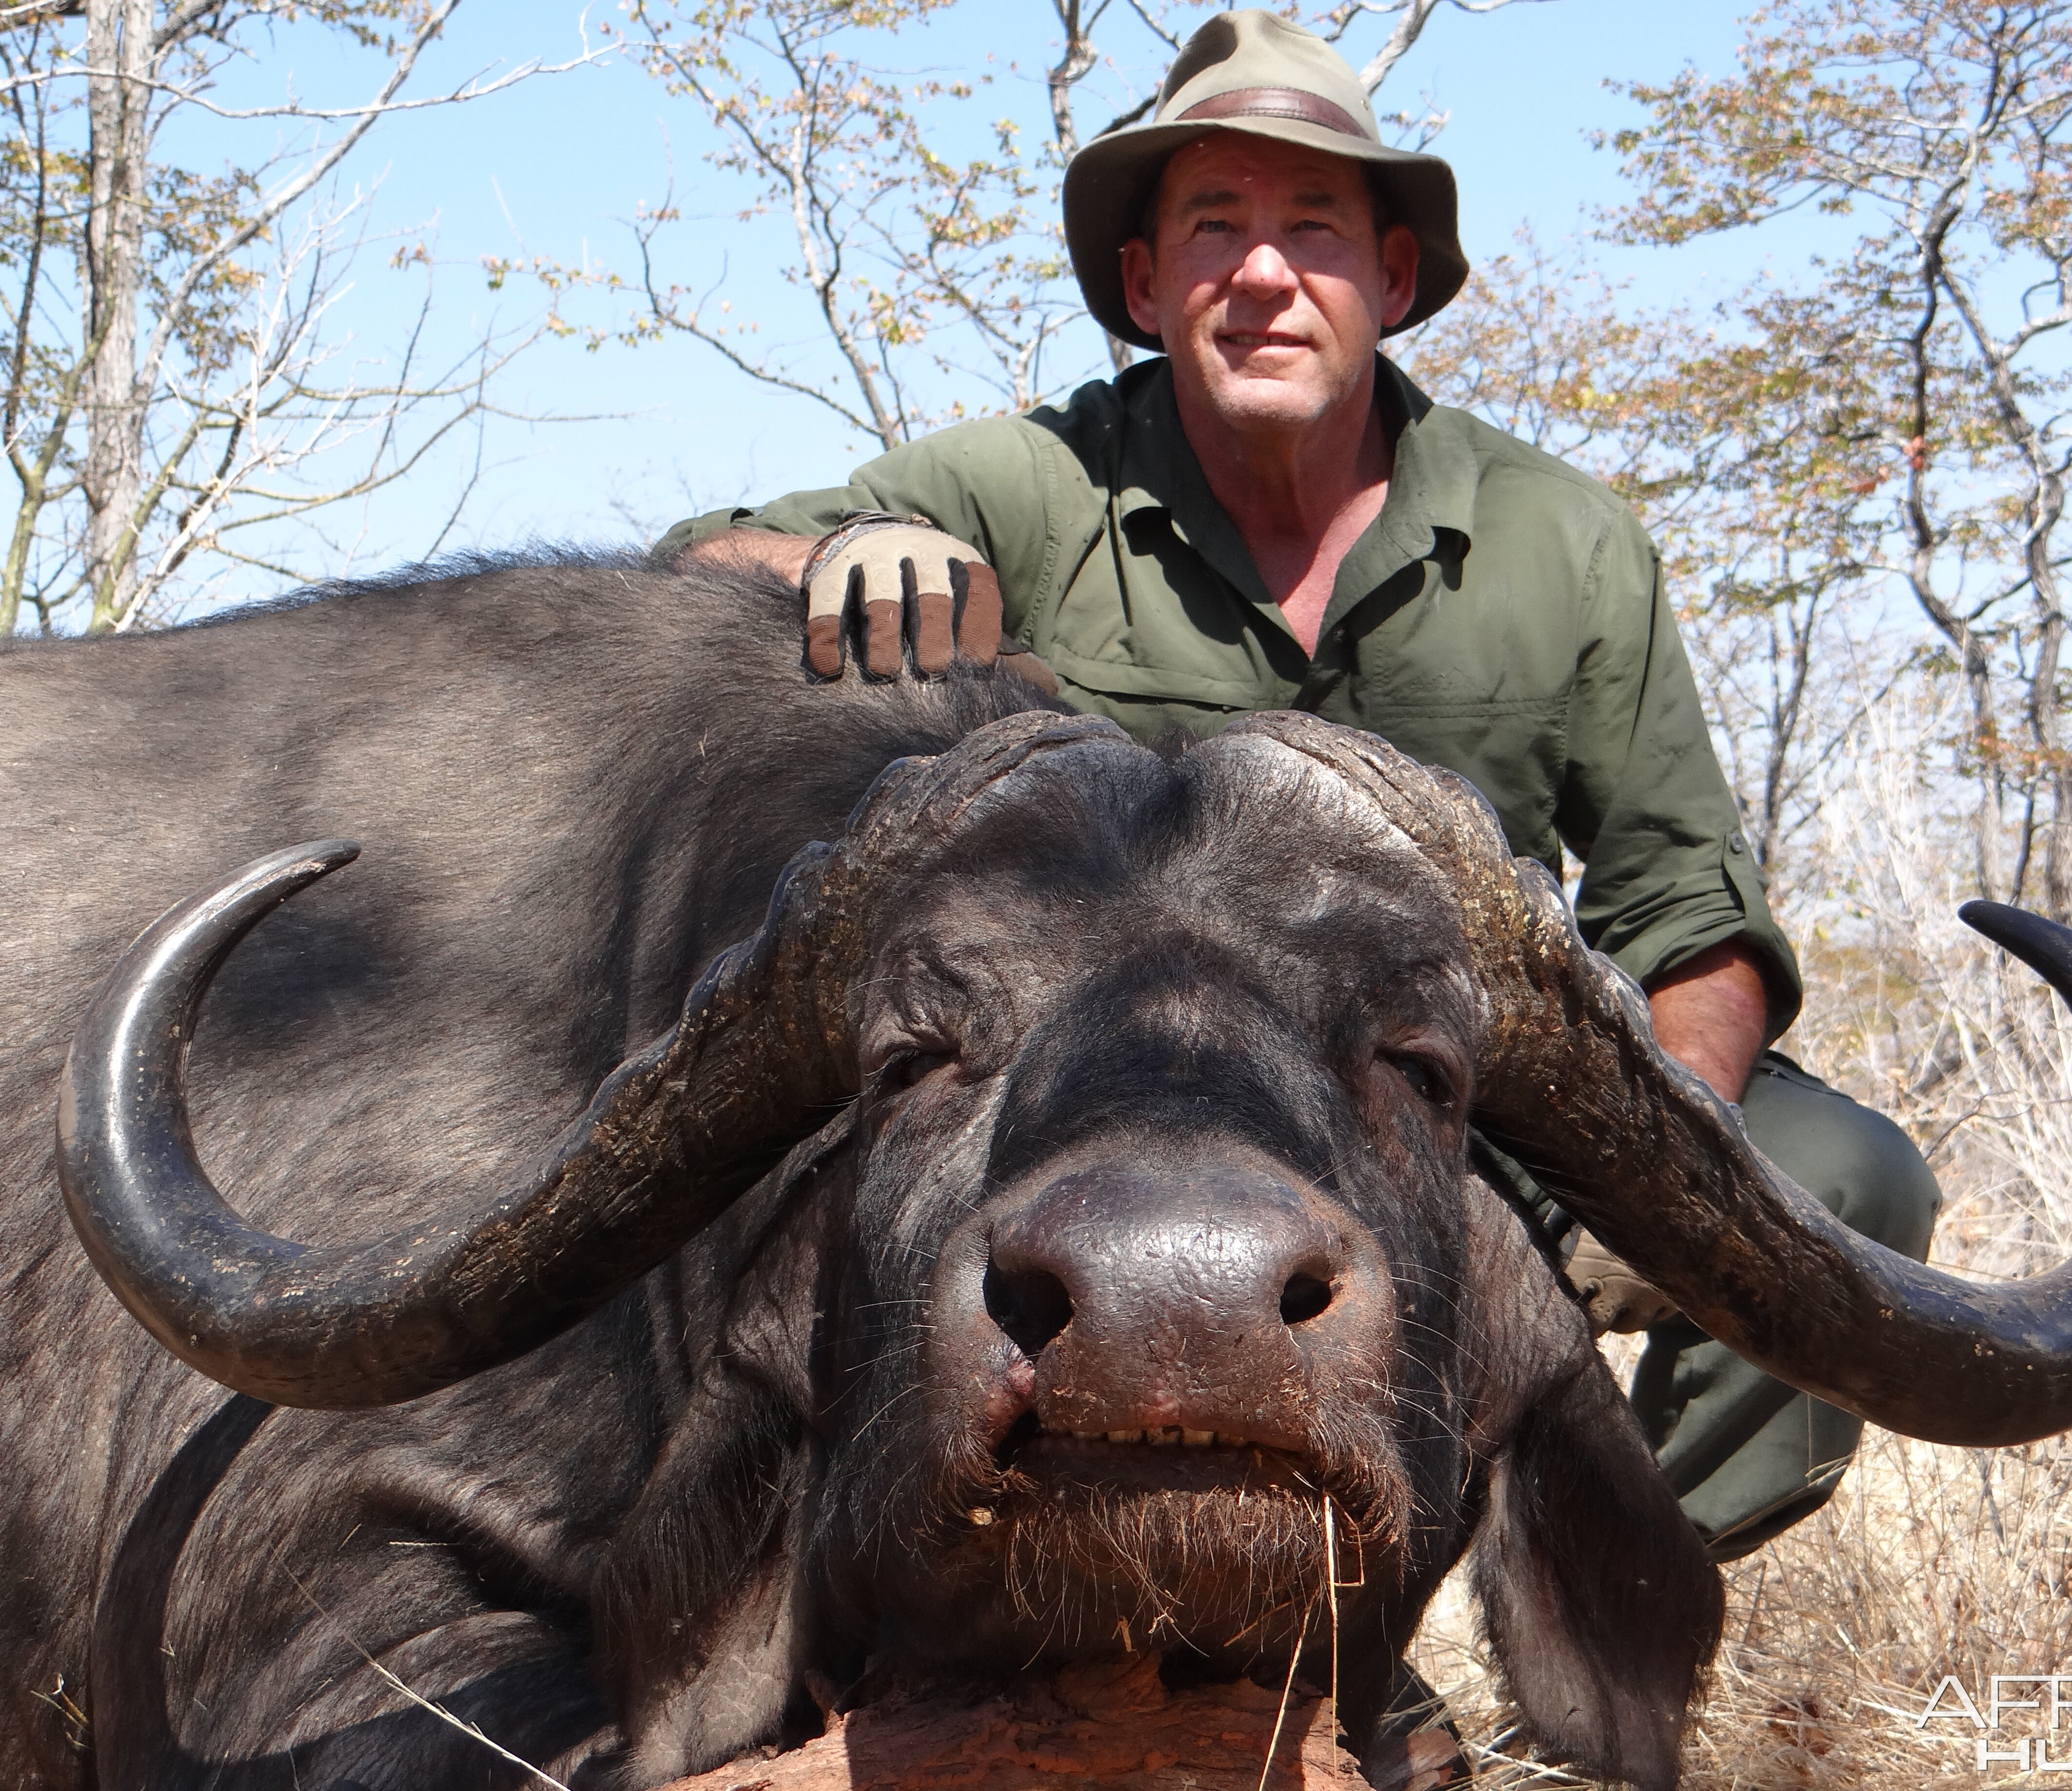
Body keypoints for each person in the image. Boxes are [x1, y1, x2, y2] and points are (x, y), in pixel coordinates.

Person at [656, 8, 1939, 1560]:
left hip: (1447, 1094)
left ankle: (1585, 1581)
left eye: (1314, 228)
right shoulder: (1030, 481)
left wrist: (1651, 1147)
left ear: (1391, 279)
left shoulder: (1566, 538)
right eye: (1214, 228)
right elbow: (699, 565)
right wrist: (845, 556)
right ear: (1146, 286)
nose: (1263, 274)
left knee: (1845, 1189)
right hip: (1106, 1104)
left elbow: (1690, 912)